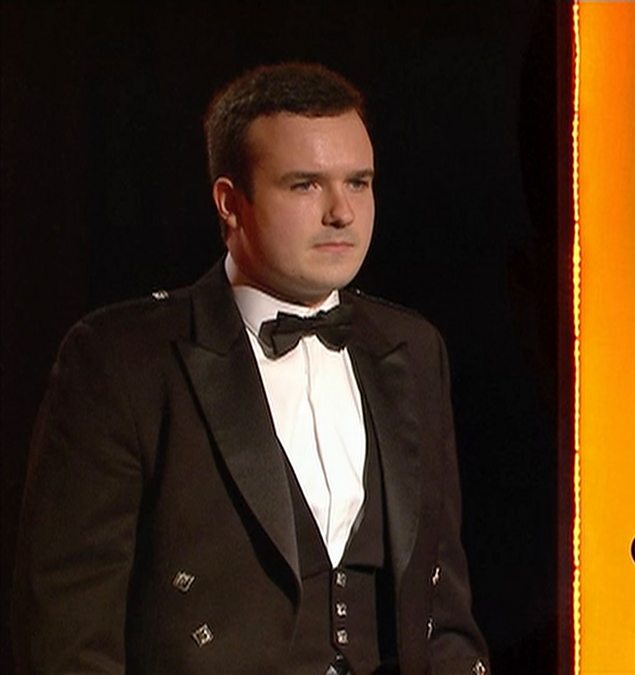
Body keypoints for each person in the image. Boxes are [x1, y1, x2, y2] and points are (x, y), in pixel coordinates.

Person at [12, 63, 490, 675]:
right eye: (305, 185)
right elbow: (67, 639)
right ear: (230, 203)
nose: (342, 212)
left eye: (359, 182)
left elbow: (444, 616)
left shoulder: (413, 348)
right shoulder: (122, 361)